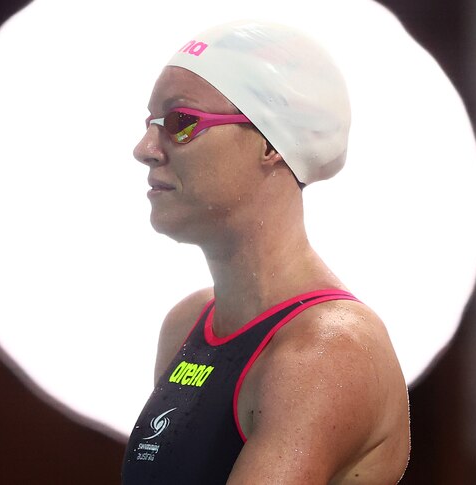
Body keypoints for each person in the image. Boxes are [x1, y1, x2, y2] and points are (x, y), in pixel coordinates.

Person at [121, 20, 410, 485]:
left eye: (180, 123)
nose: (145, 149)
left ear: (271, 143)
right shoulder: (188, 325)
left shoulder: (326, 352)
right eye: (149, 124)